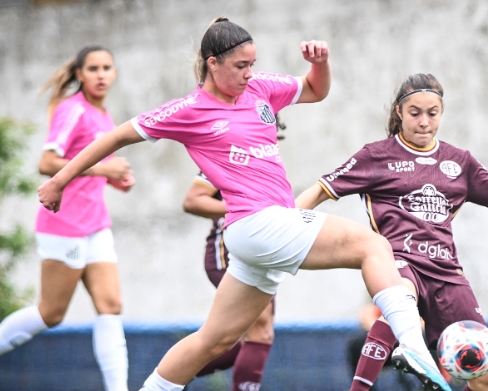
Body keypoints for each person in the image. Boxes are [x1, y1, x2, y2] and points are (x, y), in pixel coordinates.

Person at [37, 18, 452, 391]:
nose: (249, 73)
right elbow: (115, 138)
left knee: (213, 340)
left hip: (257, 237)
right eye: (240, 66)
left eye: (252, 64)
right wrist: (59, 179)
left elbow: (314, 90)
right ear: (212, 63)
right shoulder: (189, 109)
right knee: (373, 246)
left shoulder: (260, 89)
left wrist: (319, 63)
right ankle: (413, 345)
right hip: (257, 224)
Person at [294, 73, 488, 391]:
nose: (424, 122)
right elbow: (321, 188)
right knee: (398, 301)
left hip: (446, 274)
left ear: (441, 113)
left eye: (432, 113)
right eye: (415, 113)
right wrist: (287, 220)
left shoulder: (458, 162)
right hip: (398, 260)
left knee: (485, 376)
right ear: (399, 113)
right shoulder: (376, 156)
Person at [0, 45, 134, 391]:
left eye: (107, 67)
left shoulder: (104, 116)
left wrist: (115, 179)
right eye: (93, 68)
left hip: (96, 224)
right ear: (79, 74)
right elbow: (47, 163)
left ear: (115, 72)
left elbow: (91, 173)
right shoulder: (72, 110)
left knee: (111, 305)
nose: (101, 74)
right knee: (52, 313)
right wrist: (104, 168)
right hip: (65, 224)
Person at [182, 112, 285, 391]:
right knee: (260, 330)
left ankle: (171, 375)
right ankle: (168, 377)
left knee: (234, 341)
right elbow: (193, 201)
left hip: (262, 255)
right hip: (228, 254)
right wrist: (246, 208)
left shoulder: (269, 160)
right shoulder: (226, 153)